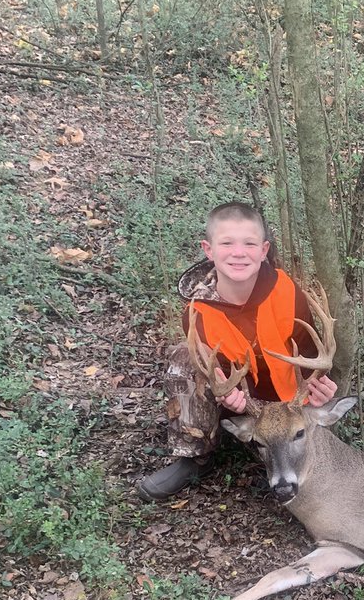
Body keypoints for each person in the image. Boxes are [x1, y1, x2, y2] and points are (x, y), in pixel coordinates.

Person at [136, 201, 337, 501]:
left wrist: (318, 386)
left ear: (264, 249)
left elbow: (307, 350)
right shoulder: (197, 311)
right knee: (183, 357)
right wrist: (226, 396)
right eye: (227, 243)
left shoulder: (287, 292)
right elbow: (215, 369)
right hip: (245, 408)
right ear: (209, 249)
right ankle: (195, 457)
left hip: (290, 406)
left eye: (249, 243)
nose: (239, 253)